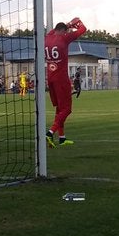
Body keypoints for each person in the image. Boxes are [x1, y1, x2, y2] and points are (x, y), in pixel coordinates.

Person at [44, 17, 87, 147]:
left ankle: (62, 138)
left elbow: (53, 31)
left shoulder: (47, 38)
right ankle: (50, 133)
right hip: (61, 79)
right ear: (64, 31)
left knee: (59, 109)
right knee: (67, 109)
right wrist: (75, 24)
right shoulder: (64, 38)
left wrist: (67, 24)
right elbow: (83, 29)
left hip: (50, 78)